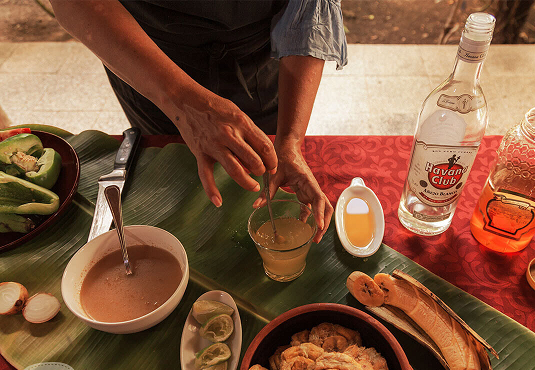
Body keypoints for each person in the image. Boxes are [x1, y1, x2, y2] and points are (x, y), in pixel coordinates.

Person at [50, 0, 347, 243]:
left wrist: (290, 141)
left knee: (261, 168)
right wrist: (181, 103)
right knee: (177, 180)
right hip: (149, 59)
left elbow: (308, 10)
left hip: (258, 66)